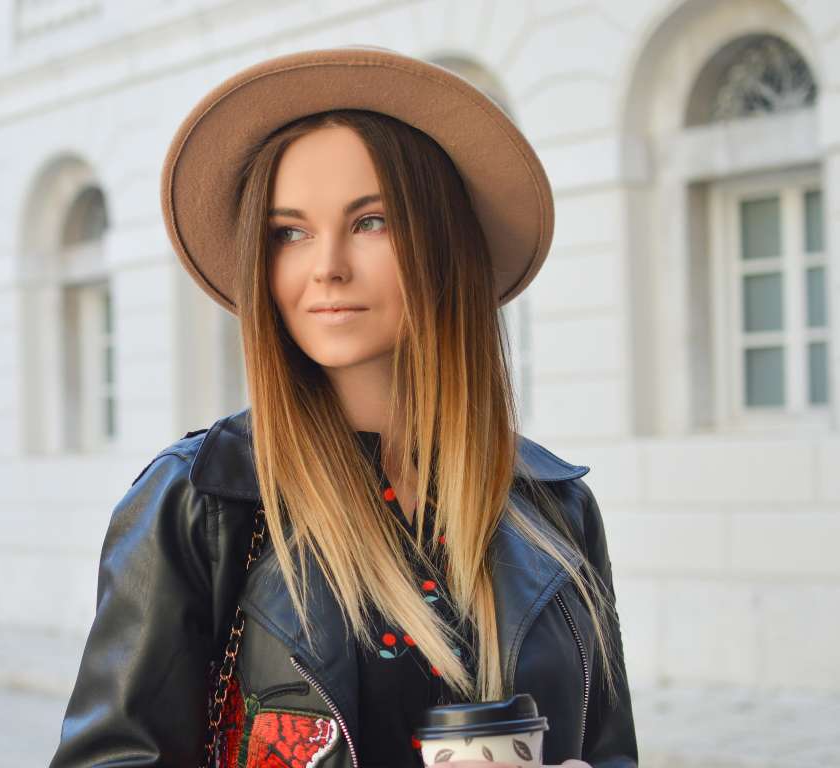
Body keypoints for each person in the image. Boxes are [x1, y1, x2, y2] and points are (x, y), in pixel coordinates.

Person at [48, 46, 638, 768]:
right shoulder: (202, 501)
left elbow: (610, 749)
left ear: (442, 244)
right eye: (289, 233)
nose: (326, 266)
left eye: (371, 221)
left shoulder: (555, 508)